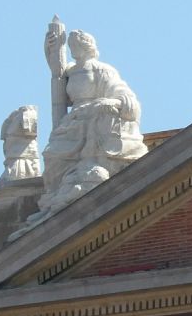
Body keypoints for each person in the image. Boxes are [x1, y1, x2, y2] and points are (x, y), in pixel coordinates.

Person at [39, 19, 147, 214]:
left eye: (76, 45)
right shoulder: (70, 72)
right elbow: (58, 82)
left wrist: (108, 103)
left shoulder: (103, 70)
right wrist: (53, 52)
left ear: (86, 46)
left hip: (98, 118)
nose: (73, 49)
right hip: (74, 122)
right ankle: (61, 190)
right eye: (71, 46)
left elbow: (124, 96)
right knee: (53, 154)